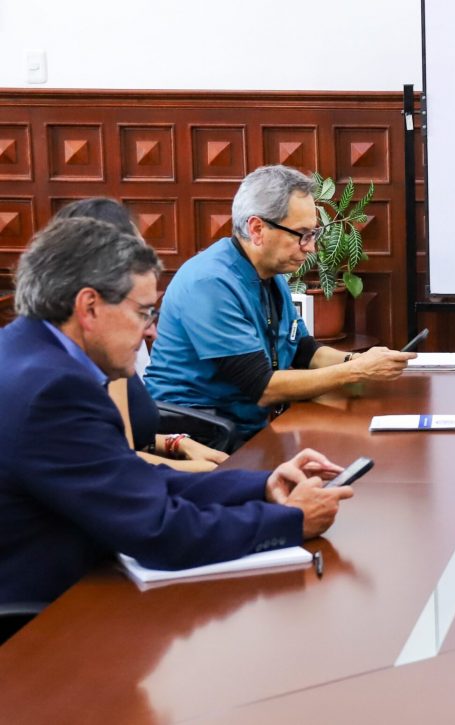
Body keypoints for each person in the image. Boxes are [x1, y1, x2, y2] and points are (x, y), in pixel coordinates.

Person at [0, 218, 355, 608]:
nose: (151, 332)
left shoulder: (24, 354)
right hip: (46, 620)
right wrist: (292, 521)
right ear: (89, 307)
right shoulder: (53, 391)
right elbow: (158, 531)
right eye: (144, 313)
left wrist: (262, 486)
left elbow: (132, 481)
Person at [145, 165, 414, 444]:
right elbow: (262, 387)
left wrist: (357, 360)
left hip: (245, 426)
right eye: (301, 234)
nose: (311, 247)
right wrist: (356, 371)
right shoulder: (210, 282)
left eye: (313, 234)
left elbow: (304, 350)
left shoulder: (269, 275)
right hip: (198, 432)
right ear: (257, 229)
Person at [53, 197, 228, 471]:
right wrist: (213, 473)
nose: (151, 331)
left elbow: (124, 440)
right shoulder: (72, 364)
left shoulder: (105, 346)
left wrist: (176, 442)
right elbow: (117, 463)